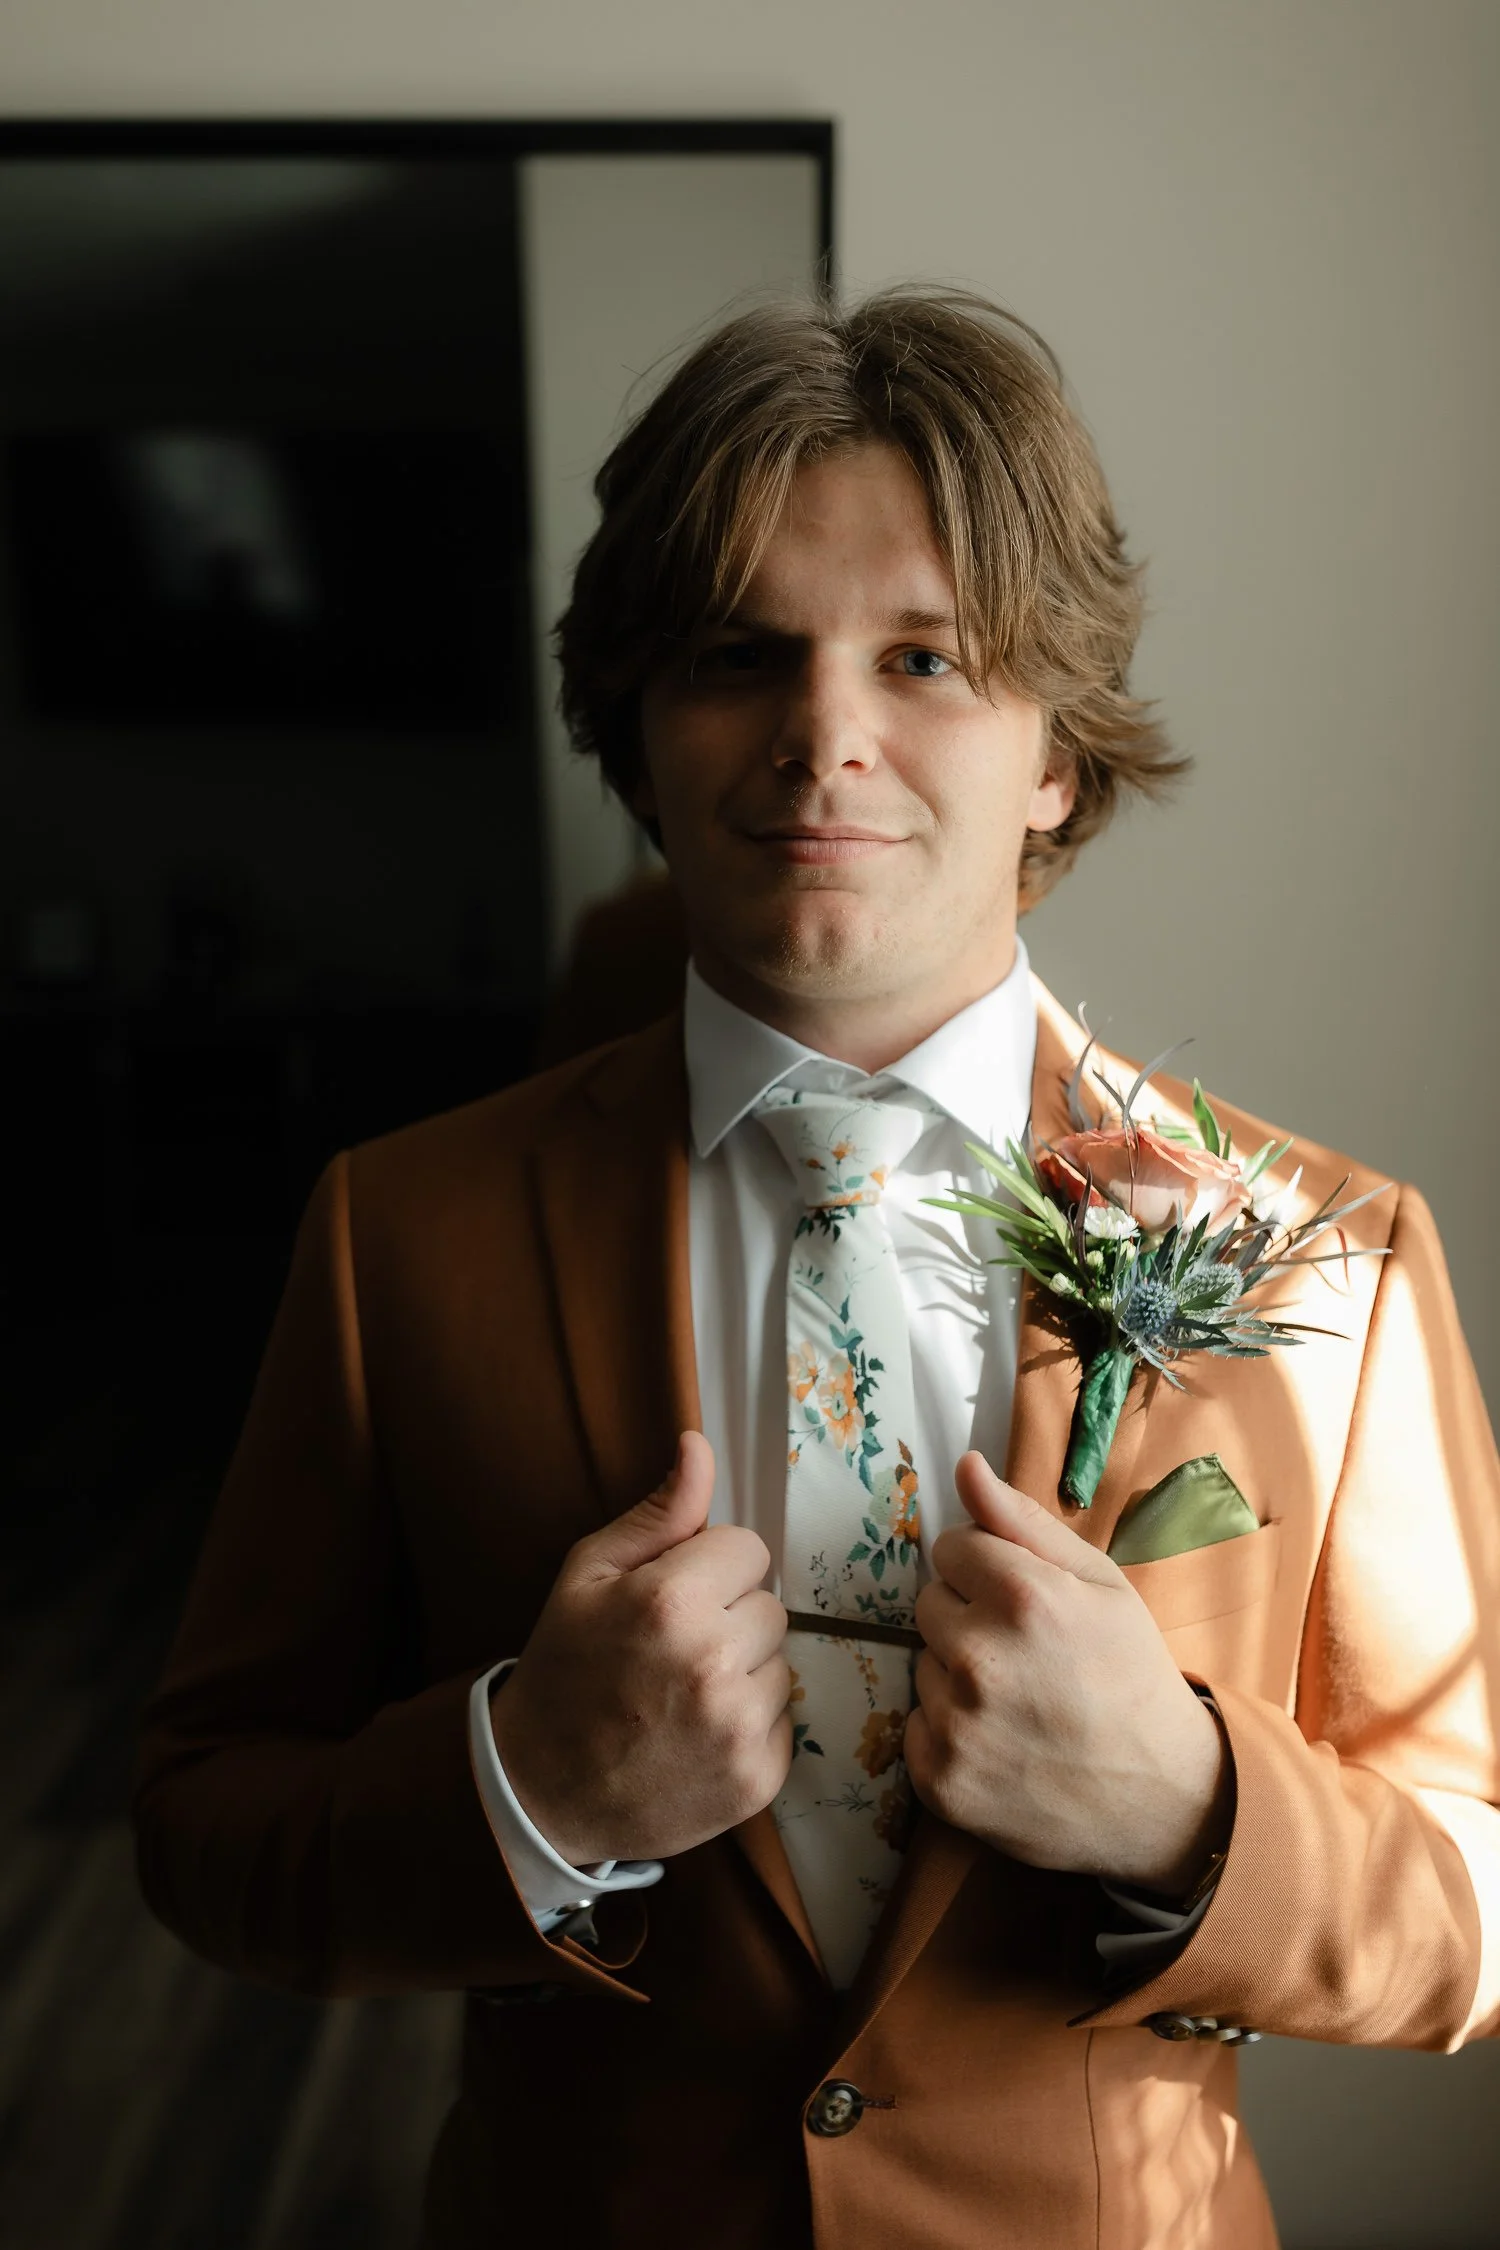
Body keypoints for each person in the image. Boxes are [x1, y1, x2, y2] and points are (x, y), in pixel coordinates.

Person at [133, 287, 1500, 2250]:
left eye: (927, 655)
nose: (823, 736)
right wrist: (527, 1786)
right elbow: (203, 1828)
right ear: (641, 726)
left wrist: (1189, 1813)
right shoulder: (394, 1234)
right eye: (735, 655)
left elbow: (1478, 1893)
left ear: (1056, 750)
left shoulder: (1334, 1262)